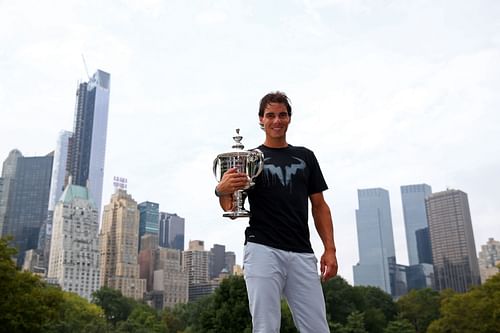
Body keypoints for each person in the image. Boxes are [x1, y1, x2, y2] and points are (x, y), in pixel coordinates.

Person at [215, 91, 337, 332]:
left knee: (317, 328)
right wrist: (222, 190)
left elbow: (319, 206)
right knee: (266, 327)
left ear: (289, 118)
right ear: (261, 119)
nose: (276, 120)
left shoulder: (305, 157)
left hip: (302, 252)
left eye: (282, 115)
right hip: (263, 249)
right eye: (270, 115)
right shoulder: (249, 159)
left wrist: (330, 249)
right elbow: (231, 206)